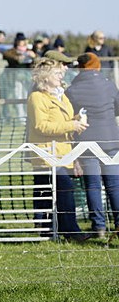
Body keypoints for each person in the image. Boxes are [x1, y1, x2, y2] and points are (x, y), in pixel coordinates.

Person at [27, 57, 89, 240]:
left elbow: (64, 119)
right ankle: (71, 231)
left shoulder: (62, 95)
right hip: (46, 153)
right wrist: (71, 126)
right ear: (45, 77)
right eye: (56, 73)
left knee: (54, 192)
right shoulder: (36, 98)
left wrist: (77, 119)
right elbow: (41, 126)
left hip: (63, 152)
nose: (61, 75)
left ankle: (52, 231)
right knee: (64, 189)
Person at [65, 52, 119, 238]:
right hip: (111, 140)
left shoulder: (72, 89)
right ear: (97, 66)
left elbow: (69, 115)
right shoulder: (109, 85)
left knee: (93, 186)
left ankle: (99, 227)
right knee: (114, 185)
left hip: (86, 142)